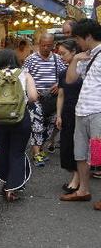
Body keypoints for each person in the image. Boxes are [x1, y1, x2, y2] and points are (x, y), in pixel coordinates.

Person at [0, 49, 38, 201]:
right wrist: (22, 102)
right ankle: (11, 188)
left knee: (3, 150)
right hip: (20, 119)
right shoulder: (25, 74)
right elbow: (34, 97)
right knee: (17, 152)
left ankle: (6, 181)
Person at [60, 19, 101, 207]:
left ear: (89, 36)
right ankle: (83, 190)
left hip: (97, 113)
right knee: (80, 154)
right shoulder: (87, 55)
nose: (76, 42)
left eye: (78, 38)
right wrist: (75, 59)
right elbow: (69, 81)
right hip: (81, 111)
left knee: (98, 155)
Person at [23, 33, 67, 166]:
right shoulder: (31, 59)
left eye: (49, 45)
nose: (46, 48)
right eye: (43, 45)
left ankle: (40, 147)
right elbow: (23, 76)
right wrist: (31, 89)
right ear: (38, 44)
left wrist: (59, 84)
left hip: (53, 98)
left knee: (51, 124)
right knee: (37, 124)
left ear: (53, 45)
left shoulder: (57, 59)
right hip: (36, 98)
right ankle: (36, 153)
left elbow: (65, 75)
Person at [55, 39, 83, 195]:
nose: (61, 57)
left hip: (82, 111)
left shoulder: (84, 70)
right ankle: (76, 176)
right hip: (67, 112)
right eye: (60, 54)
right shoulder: (63, 73)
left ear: (74, 52)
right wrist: (58, 115)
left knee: (78, 145)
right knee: (67, 145)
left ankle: (77, 179)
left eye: (63, 53)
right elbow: (61, 95)